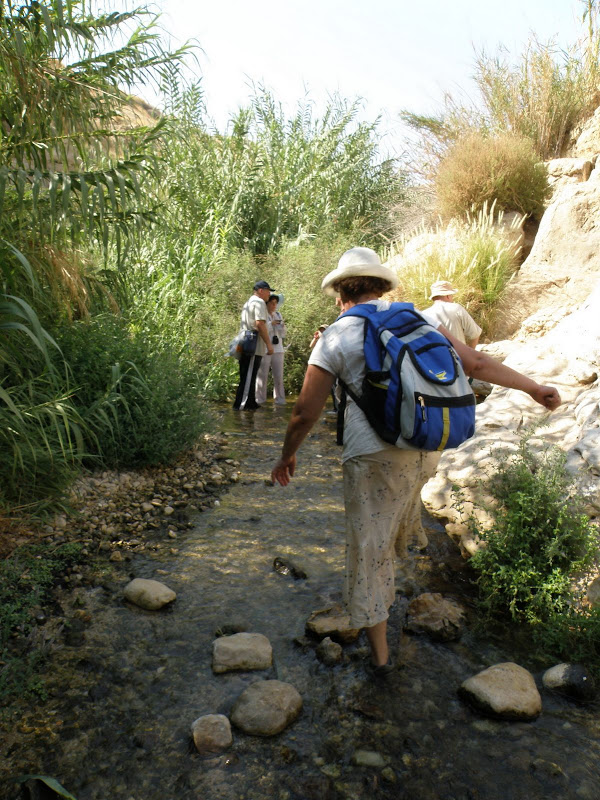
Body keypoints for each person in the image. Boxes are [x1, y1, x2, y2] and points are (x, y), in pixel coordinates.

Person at [271, 247, 561, 677]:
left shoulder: (336, 334)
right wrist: (534, 388)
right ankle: (399, 570)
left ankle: (381, 658)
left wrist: (287, 455)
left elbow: (303, 413)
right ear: (381, 287)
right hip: (426, 447)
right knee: (392, 521)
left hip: (375, 457)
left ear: (340, 294)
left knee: (369, 547)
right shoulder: (417, 319)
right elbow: (477, 362)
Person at [233, 280, 275, 410]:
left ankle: (250, 403)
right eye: (268, 291)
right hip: (253, 345)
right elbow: (259, 324)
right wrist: (269, 345)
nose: (269, 294)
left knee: (248, 375)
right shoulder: (259, 302)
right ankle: (241, 406)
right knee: (248, 376)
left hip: (245, 342)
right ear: (261, 290)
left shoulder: (248, 303)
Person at [423, 280, 482, 347]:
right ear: (448, 296)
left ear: (433, 298)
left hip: (435, 354)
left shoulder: (424, 314)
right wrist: (470, 351)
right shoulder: (457, 308)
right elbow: (475, 334)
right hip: (457, 353)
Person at [256, 294, 287, 405]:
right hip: (265, 349)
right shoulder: (262, 315)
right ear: (267, 304)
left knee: (279, 376)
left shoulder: (278, 314)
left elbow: (283, 334)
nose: (274, 305)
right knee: (262, 376)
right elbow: (260, 330)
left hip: (278, 348)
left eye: (275, 303)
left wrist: (282, 326)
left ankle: (280, 400)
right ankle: (260, 400)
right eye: (272, 303)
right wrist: (271, 324)